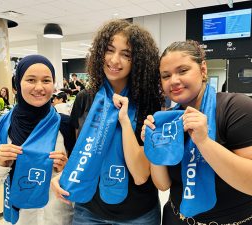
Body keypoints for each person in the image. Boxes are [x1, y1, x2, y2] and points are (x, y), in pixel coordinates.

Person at [141, 40, 252, 225]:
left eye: (183, 71)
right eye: (166, 76)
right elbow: (163, 185)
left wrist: (204, 142)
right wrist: (153, 146)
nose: (173, 81)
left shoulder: (237, 108)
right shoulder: (168, 121)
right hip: (177, 218)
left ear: (203, 70)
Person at [51, 19, 162, 225]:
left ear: (138, 61)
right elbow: (80, 153)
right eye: (109, 50)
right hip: (89, 211)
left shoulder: (149, 103)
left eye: (126, 54)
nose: (114, 60)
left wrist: (124, 122)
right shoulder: (85, 99)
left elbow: (140, 174)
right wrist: (63, 176)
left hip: (138, 214)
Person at [0, 55, 74, 225]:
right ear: (17, 85)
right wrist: (0, 164)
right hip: (19, 220)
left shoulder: (66, 125)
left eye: (46, 80)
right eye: (31, 80)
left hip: (59, 219)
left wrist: (65, 171)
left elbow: (80, 181)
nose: (39, 87)